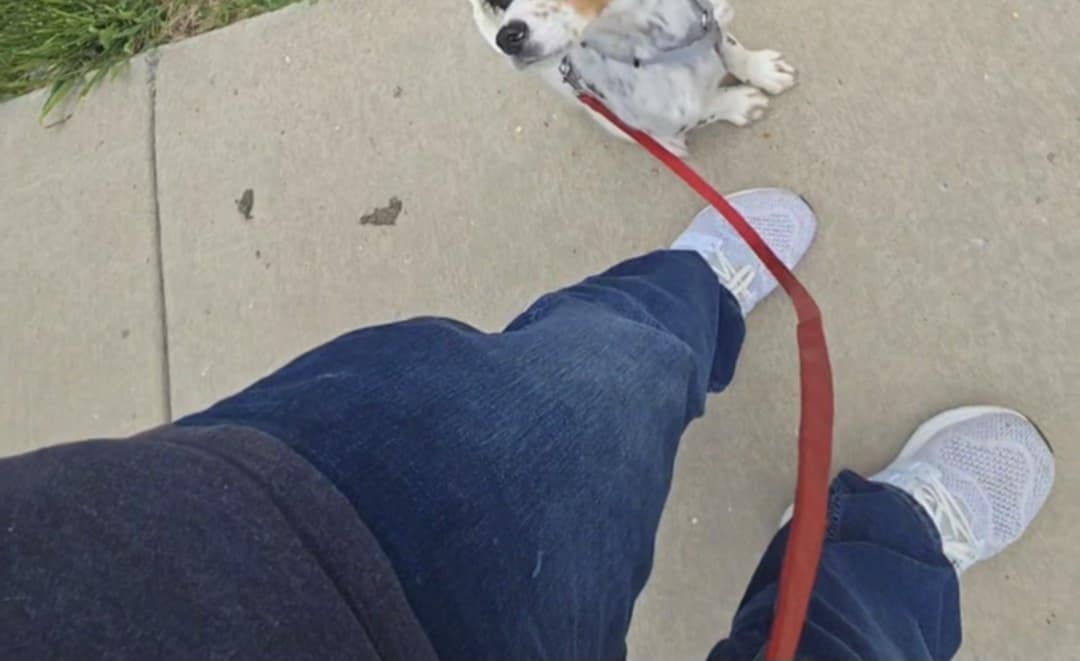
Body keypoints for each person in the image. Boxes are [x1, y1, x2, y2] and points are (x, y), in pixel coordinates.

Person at [0, 189, 1053, 661]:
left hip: (252, 555)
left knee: (594, 380)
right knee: (857, 646)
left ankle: (686, 298)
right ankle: (880, 551)